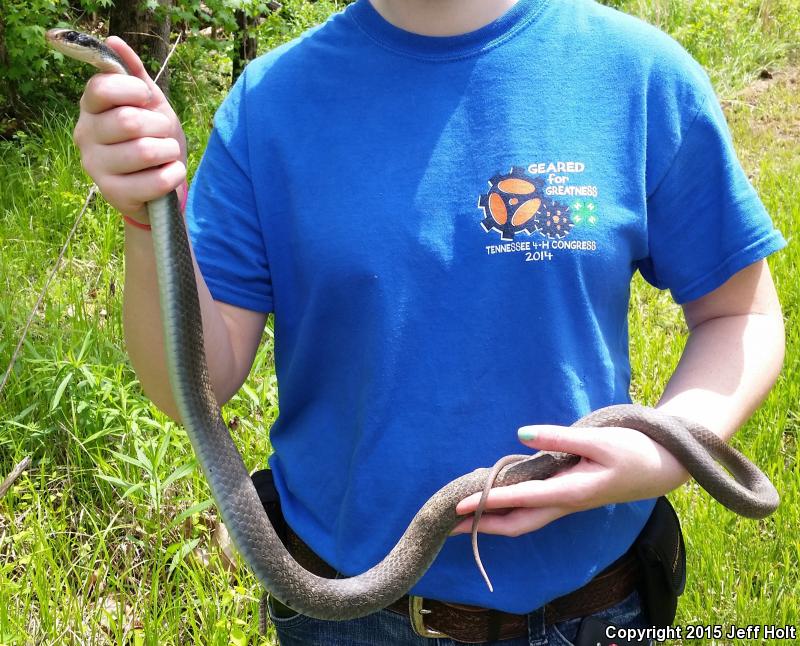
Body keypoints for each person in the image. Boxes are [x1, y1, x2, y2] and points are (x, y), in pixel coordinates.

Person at [72, 0, 786, 643]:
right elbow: (193, 386)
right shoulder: (270, 106)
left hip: (598, 610)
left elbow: (740, 315)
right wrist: (147, 213)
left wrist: (665, 454)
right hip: (345, 618)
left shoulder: (636, 74)